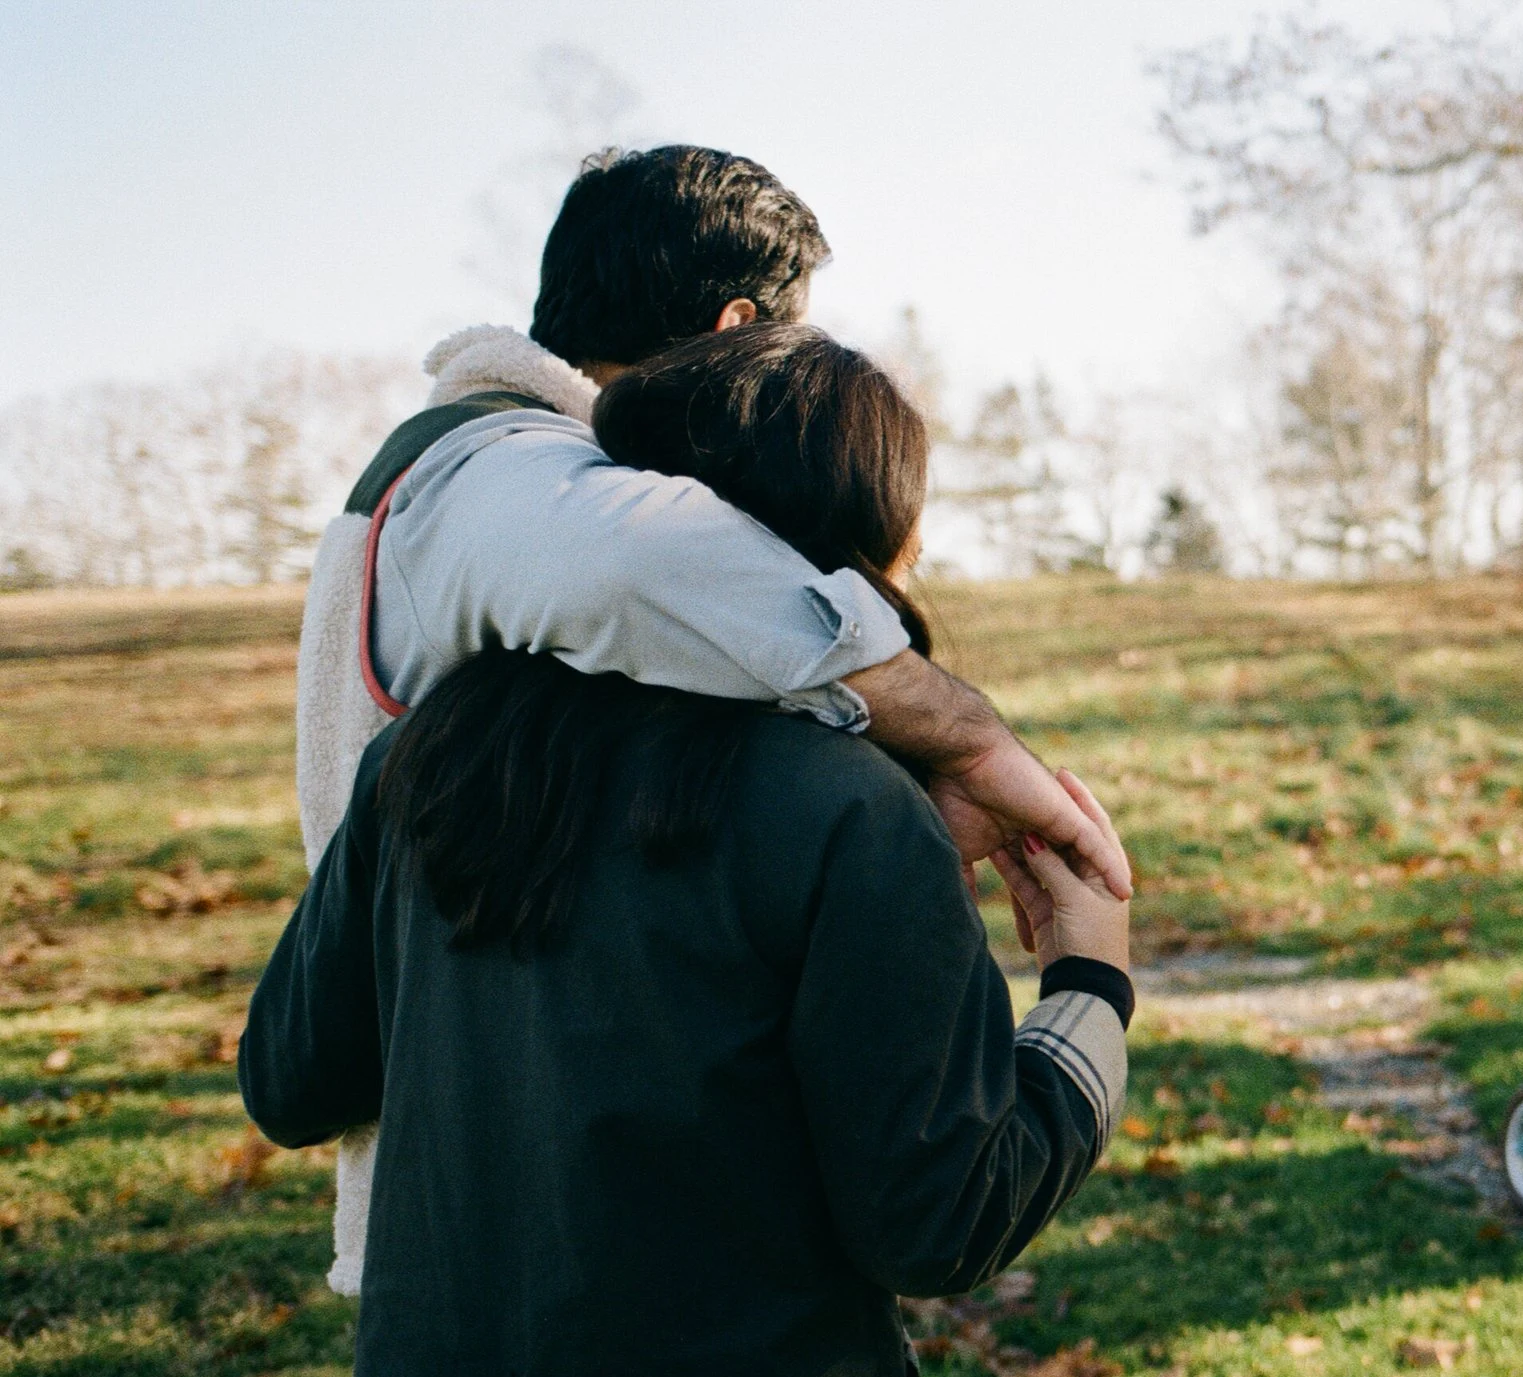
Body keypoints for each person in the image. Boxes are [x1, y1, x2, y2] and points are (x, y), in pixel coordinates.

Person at [240, 324, 1129, 1377]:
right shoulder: (851, 812)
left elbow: (290, 1075)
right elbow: (939, 1214)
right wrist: (1088, 985)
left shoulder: (424, 762)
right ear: (847, 553)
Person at [300, 145, 1127, 1296]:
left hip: (479, 1221)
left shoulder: (494, 514)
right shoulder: (494, 467)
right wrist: (968, 739)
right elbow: (644, 563)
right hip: (518, 1195)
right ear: (740, 327)